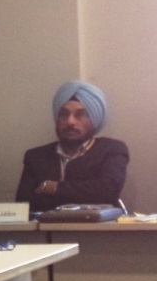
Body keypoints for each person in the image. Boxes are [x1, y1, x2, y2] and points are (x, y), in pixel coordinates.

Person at [15, 80, 129, 213]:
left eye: (80, 115)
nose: (70, 122)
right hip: (47, 231)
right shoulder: (35, 156)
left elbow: (108, 191)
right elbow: (24, 205)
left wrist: (54, 188)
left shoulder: (111, 149)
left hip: (98, 231)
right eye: (64, 114)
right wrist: (84, 193)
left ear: (95, 119)